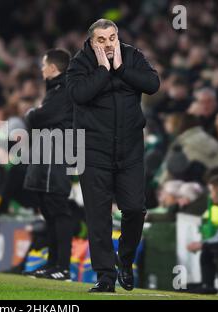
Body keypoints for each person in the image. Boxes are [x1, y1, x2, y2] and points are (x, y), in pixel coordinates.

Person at [66, 19, 160, 292]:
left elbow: (152, 84)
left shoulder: (132, 56)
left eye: (111, 38)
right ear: (91, 42)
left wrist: (120, 67)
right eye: (101, 40)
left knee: (134, 209)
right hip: (93, 150)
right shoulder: (81, 63)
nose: (107, 44)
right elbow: (79, 95)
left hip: (130, 149)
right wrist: (104, 70)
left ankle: (126, 260)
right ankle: (105, 277)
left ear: (117, 37)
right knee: (98, 216)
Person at [22, 48, 74, 281]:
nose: (42, 69)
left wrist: (32, 114)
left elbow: (39, 117)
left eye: (44, 65)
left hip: (57, 156)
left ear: (53, 68)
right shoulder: (55, 90)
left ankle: (62, 267)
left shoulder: (63, 90)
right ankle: (53, 264)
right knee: (49, 209)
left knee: (58, 209)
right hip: (48, 155)